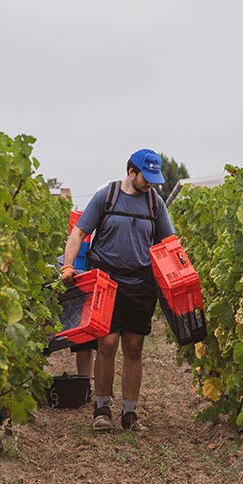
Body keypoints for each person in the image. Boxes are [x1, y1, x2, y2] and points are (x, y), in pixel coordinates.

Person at [60, 148, 174, 431]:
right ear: (131, 171)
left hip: (140, 283)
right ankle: (102, 410)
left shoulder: (155, 204)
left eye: (152, 179)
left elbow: (169, 242)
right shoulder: (107, 196)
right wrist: (68, 265)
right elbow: (79, 233)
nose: (149, 183)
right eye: (145, 177)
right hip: (106, 282)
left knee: (134, 347)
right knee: (107, 343)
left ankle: (130, 414)